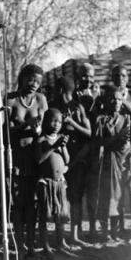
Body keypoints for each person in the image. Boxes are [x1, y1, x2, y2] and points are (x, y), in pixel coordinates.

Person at [7, 64, 48, 259]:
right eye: (31, 79)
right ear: (22, 78)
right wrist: (26, 125)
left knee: (33, 204)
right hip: (16, 156)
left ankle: (31, 245)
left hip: (34, 156)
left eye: (38, 81)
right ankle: (19, 245)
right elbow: (4, 131)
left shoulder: (41, 100)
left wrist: (40, 130)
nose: (34, 84)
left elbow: (49, 128)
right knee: (18, 202)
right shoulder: (10, 100)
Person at [50, 76, 92, 248]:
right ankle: (60, 237)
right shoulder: (53, 108)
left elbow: (89, 133)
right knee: (59, 197)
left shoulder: (78, 107)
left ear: (60, 90)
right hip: (58, 157)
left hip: (77, 158)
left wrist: (71, 122)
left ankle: (74, 234)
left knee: (76, 197)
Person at [95, 87, 131, 242]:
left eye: (118, 99)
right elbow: (99, 142)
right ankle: (105, 232)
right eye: (112, 99)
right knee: (107, 196)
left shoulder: (126, 118)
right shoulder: (101, 119)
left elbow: (129, 140)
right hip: (108, 162)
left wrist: (125, 141)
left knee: (120, 195)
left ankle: (116, 230)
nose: (116, 102)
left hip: (123, 161)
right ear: (105, 101)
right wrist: (119, 137)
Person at [34, 108, 71, 257]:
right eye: (53, 121)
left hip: (60, 183)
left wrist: (62, 146)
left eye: (60, 121)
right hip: (46, 183)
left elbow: (67, 160)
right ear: (46, 121)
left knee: (60, 216)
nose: (56, 124)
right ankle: (45, 246)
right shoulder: (41, 140)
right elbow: (39, 160)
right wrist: (54, 146)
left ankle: (60, 244)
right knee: (44, 215)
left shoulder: (61, 138)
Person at [74, 63, 103, 241]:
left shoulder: (97, 94)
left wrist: (96, 99)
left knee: (93, 191)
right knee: (77, 192)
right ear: (78, 77)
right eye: (85, 76)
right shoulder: (72, 94)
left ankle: (92, 228)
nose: (88, 80)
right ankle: (76, 232)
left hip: (95, 148)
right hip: (79, 147)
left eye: (91, 76)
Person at [111, 64, 131, 234]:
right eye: (116, 76)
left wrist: (123, 102)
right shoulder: (109, 94)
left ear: (127, 78)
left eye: (122, 75)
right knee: (117, 186)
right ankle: (119, 224)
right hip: (115, 145)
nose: (119, 79)